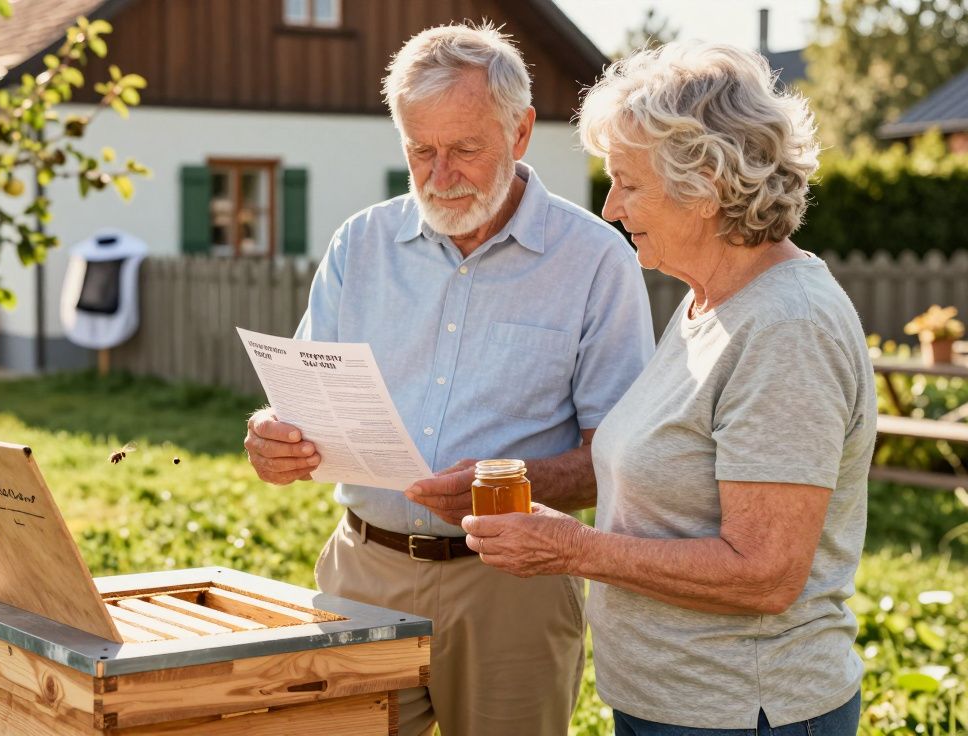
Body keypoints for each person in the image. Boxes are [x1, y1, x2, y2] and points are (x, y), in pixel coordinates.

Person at [243, 22, 654, 736]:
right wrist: (272, 437)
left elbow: (617, 463)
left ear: (520, 132)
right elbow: (301, 404)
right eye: (420, 151)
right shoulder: (359, 244)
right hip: (363, 573)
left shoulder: (595, 261)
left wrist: (506, 486)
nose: (439, 176)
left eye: (464, 149)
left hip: (514, 588)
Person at [460, 42, 875, 734]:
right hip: (673, 703)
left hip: (744, 712)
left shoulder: (786, 327)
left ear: (703, 185)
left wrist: (575, 549)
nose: (612, 208)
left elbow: (766, 573)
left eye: (627, 183)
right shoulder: (708, 302)